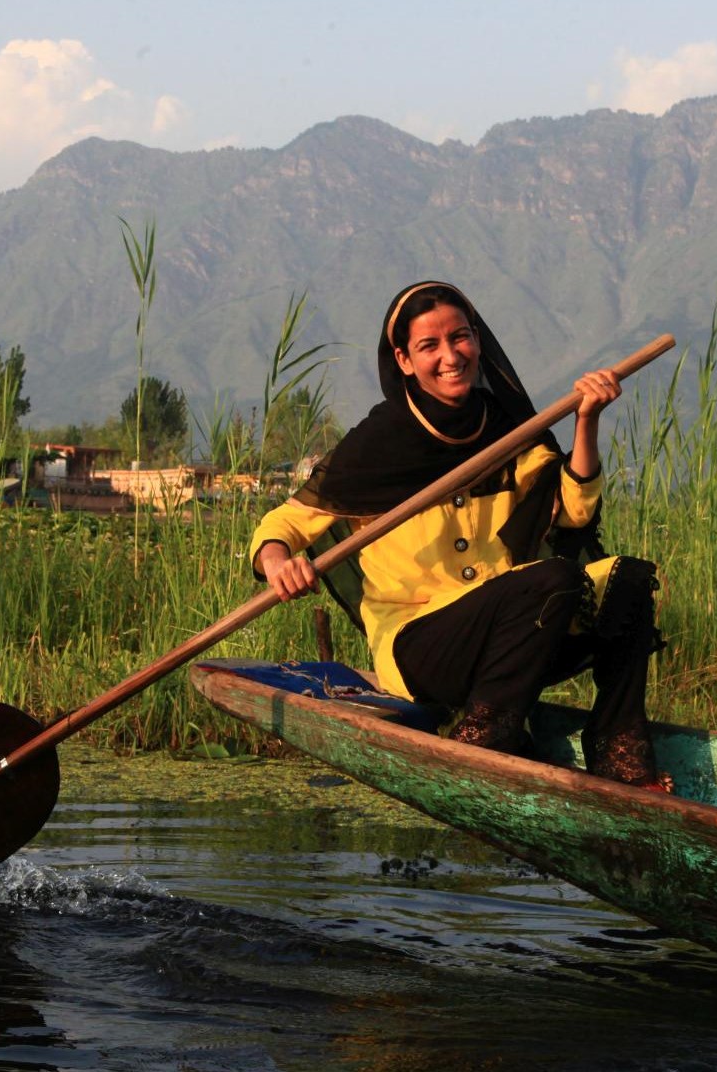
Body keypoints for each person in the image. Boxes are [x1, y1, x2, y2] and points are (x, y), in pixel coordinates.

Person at [249, 280, 669, 790]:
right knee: (553, 579)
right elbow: (284, 525)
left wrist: (587, 422)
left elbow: (573, 514)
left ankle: (618, 748)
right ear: (404, 360)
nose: (451, 356)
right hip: (421, 646)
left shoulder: (509, 430)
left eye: (461, 338)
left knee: (628, 580)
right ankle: (487, 740)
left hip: (514, 635)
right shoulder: (377, 445)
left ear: (478, 341)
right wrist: (278, 562)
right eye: (430, 346)